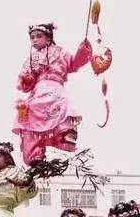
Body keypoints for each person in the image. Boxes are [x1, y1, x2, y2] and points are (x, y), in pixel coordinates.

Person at [13, 23, 92, 166]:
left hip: (55, 88)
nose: (35, 40)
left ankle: (65, 136)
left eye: (38, 36)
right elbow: (25, 85)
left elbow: (74, 63)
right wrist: (26, 79)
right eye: (32, 37)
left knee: (63, 105)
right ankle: (34, 155)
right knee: (29, 119)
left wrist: (83, 50)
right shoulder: (30, 60)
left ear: (48, 39)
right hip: (38, 92)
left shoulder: (60, 53)